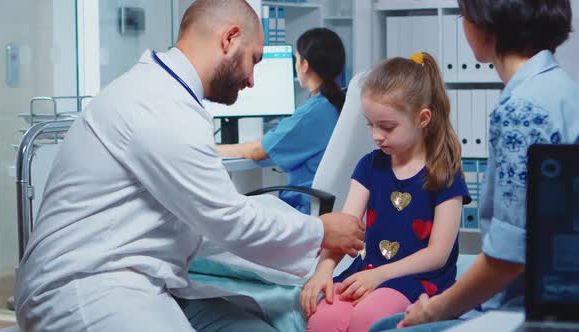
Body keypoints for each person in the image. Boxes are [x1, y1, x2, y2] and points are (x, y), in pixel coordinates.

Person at [14, 1, 366, 331]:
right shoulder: (159, 104)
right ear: (229, 39)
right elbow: (228, 220)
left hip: (143, 277)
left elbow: (210, 222)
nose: (252, 80)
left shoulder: (169, 96)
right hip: (87, 285)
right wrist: (319, 232)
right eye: (254, 60)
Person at [370, 1, 579, 331]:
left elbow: (509, 257)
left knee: (387, 327)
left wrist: (435, 309)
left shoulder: (521, 110)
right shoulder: (562, 87)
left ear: (483, 23)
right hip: (554, 294)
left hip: (527, 307)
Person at [299, 52, 471, 332]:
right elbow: (346, 231)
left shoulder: (443, 173)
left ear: (423, 118)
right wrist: (324, 270)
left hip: (418, 279)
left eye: (387, 127)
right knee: (324, 318)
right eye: (370, 124)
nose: (376, 135)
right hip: (370, 272)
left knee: (369, 317)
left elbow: (438, 254)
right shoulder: (369, 166)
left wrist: (379, 276)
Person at [216, 27, 346, 214]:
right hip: (331, 206)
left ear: (305, 65)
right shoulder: (338, 103)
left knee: (237, 210)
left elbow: (258, 151)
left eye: (296, 59)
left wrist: (213, 148)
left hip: (306, 209)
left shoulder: (313, 112)